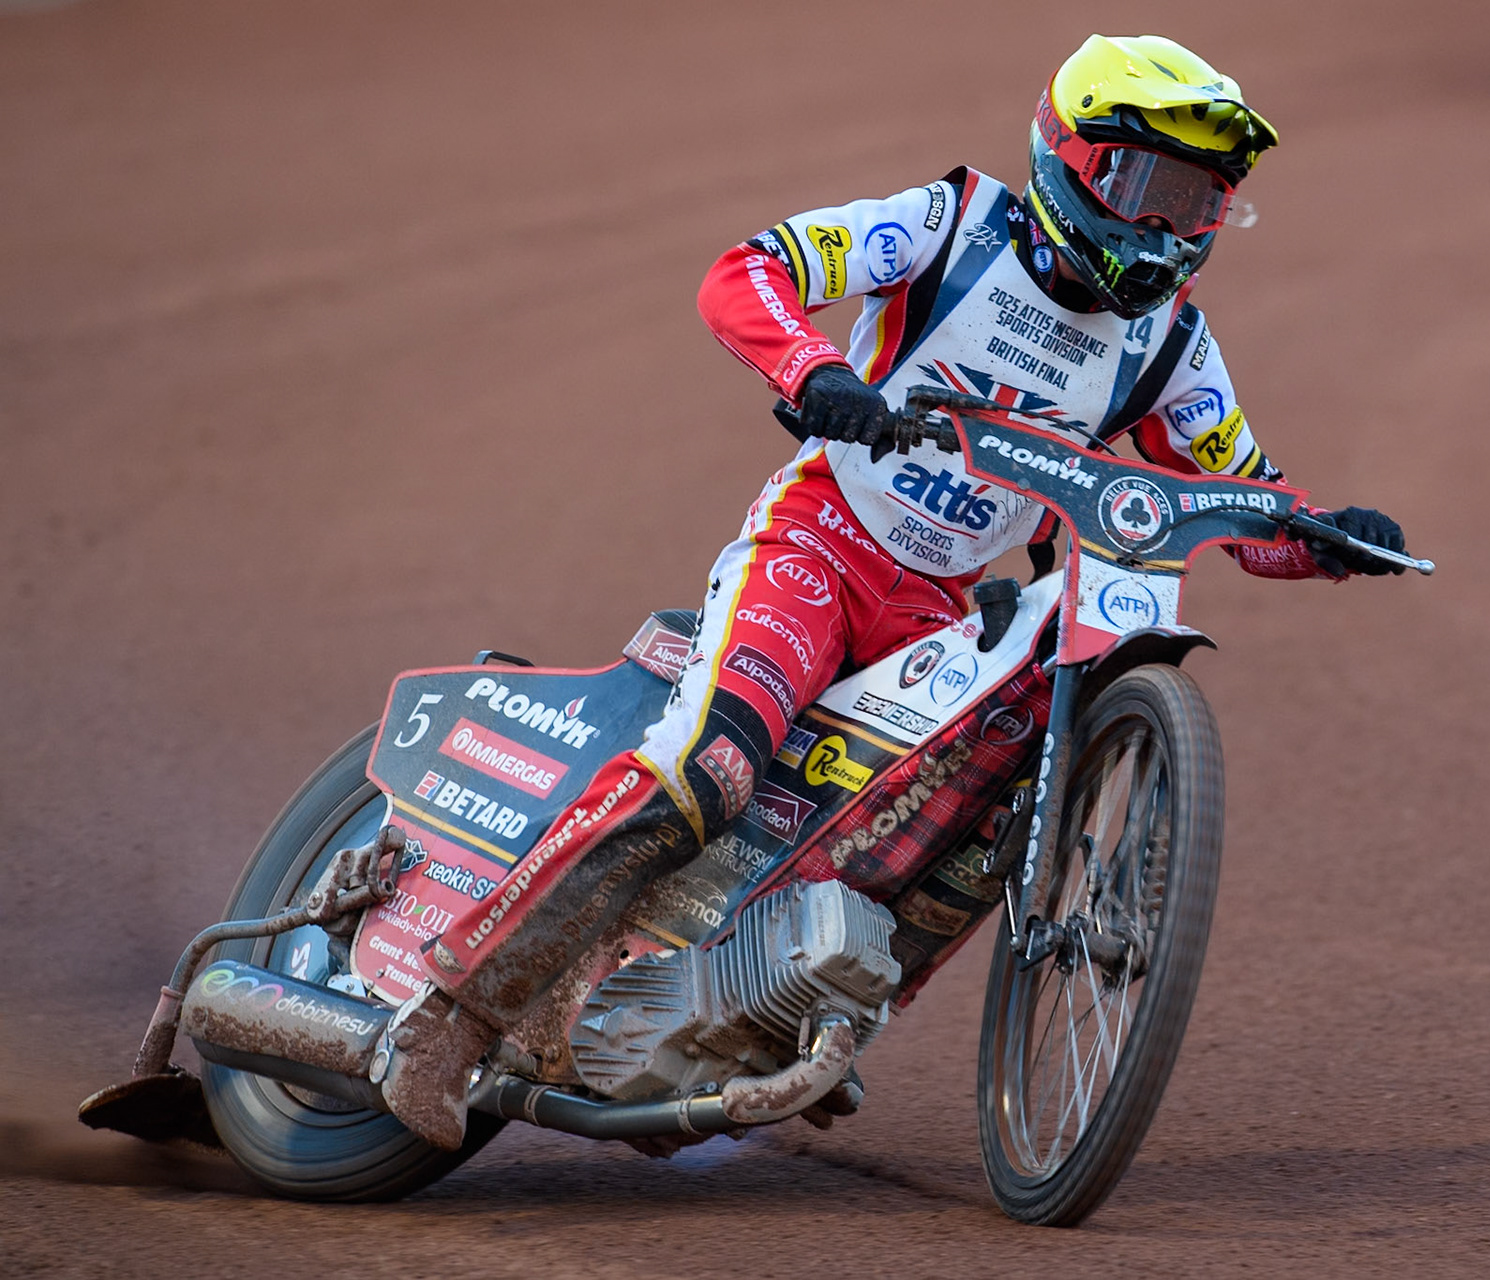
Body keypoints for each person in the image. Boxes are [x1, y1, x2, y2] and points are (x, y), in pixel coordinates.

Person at [375, 33, 1409, 1150]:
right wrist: (816, 372)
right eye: (1145, 183)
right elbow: (744, 273)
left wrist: (1329, 536)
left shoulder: (1172, 347)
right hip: (817, 548)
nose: (1167, 224)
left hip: (937, 611)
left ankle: (791, 1014)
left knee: (980, 817)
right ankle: (449, 1015)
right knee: (709, 769)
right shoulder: (950, 225)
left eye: (1198, 199)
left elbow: (1245, 502)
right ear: (1069, 158)